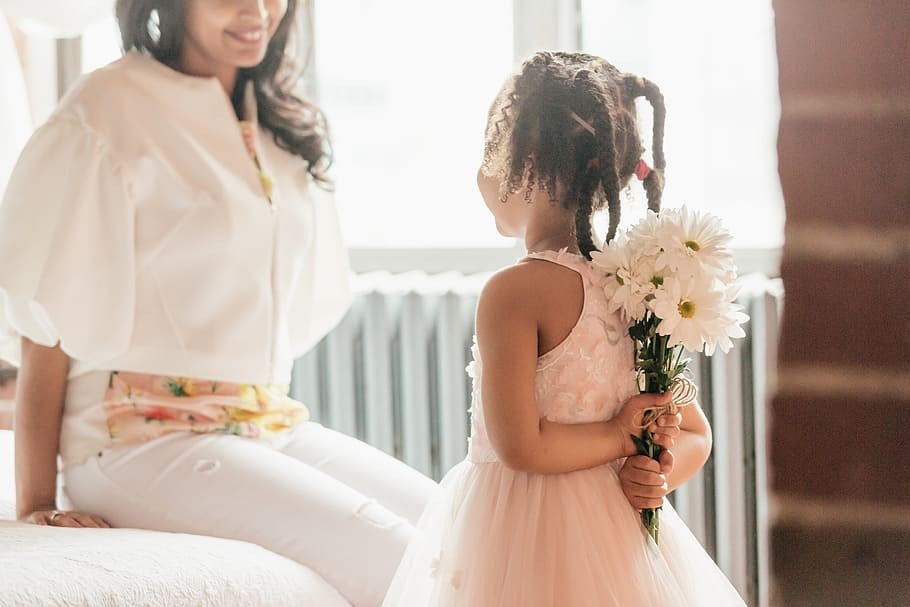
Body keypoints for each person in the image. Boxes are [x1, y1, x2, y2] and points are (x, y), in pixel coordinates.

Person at [0, 2, 435, 605]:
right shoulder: (108, 108)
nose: (256, 10)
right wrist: (37, 503)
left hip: (261, 421)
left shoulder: (275, 119)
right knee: (391, 549)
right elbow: (44, 328)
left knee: (456, 524)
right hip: (131, 439)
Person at [382, 51, 746, 606]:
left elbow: (520, 447)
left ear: (522, 161)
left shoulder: (513, 292)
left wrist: (630, 439)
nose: (480, 170)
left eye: (488, 148)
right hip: (617, 545)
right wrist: (658, 475)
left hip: (524, 542)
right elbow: (696, 432)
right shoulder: (634, 282)